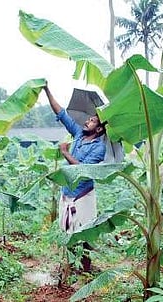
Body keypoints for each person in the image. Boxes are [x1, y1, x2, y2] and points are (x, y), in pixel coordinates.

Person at [42, 83, 106, 272]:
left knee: (85, 233)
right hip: (67, 192)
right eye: (89, 119)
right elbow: (62, 114)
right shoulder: (78, 134)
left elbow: (82, 169)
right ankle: (69, 268)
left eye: (93, 121)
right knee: (68, 232)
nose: (87, 121)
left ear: (99, 129)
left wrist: (65, 153)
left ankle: (86, 269)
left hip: (83, 195)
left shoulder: (99, 148)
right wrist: (47, 91)